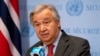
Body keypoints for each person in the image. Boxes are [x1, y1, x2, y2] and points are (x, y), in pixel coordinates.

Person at [26, 4, 91, 56]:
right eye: (37, 24)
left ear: (58, 22)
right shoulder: (31, 52)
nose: (42, 29)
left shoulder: (79, 46)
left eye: (46, 22)